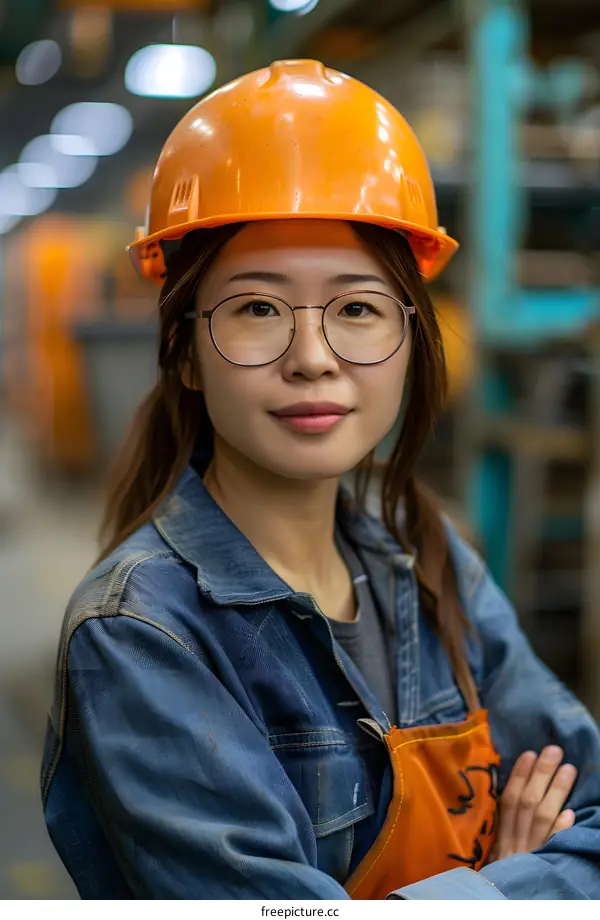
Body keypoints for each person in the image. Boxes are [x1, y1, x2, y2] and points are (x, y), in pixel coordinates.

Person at [41, 60, 600, 900]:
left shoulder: (429, 558)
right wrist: (507, 885)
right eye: (259, 309)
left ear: (413, 338)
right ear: (186, 353)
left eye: (358, 308)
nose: (313, 359)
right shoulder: (142, 635)